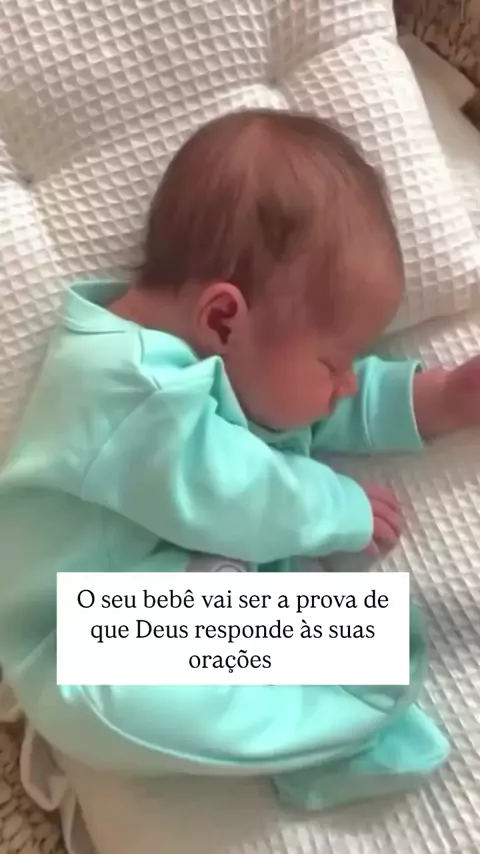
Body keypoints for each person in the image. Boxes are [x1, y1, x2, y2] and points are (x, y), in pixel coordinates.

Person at [0, 109, 478, 810]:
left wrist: (435, 399)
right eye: (335, 362)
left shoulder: (222, 359)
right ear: (224, 318)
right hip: (81, 646)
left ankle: (330, 731)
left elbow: (303, 405)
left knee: (376, 643)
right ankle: (326, 745)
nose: (345, 381)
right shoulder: (122, 388)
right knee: (356, 655)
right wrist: (340, 508)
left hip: (166, 600)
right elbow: (238, 492)